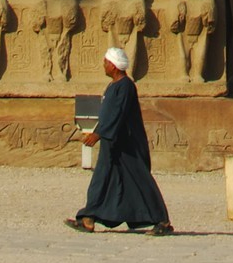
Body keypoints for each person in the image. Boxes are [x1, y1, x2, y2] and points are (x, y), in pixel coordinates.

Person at [65, 48, 173, 235]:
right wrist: (99, 132)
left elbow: (118, 114)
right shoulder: (113, 86)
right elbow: (108, 114)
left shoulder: (126, 86)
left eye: (106, 62)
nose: (104, 65)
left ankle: (162, 221)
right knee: (104, 179)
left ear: (114, 66)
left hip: (127, 145)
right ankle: (89, 217)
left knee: (140, 179)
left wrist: (99, 134)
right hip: (113, 142)